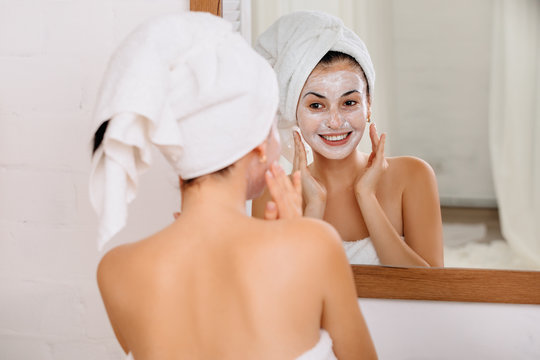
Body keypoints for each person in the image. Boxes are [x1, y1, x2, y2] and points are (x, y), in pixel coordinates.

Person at [90, 12, 377, 359]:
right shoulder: (313, 245)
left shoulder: (116, 270)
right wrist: (296, 240)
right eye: (274, 127)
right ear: (258, 145)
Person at [253, 11, 444, 267]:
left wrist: (367, 197)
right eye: (316, 105)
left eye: (349, 102)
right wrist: (314, 209)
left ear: (368, 105)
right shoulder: (274, 195)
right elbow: (283, 297)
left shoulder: (413, 176)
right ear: (294, 111)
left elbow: (433, 292)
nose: (334, 121)